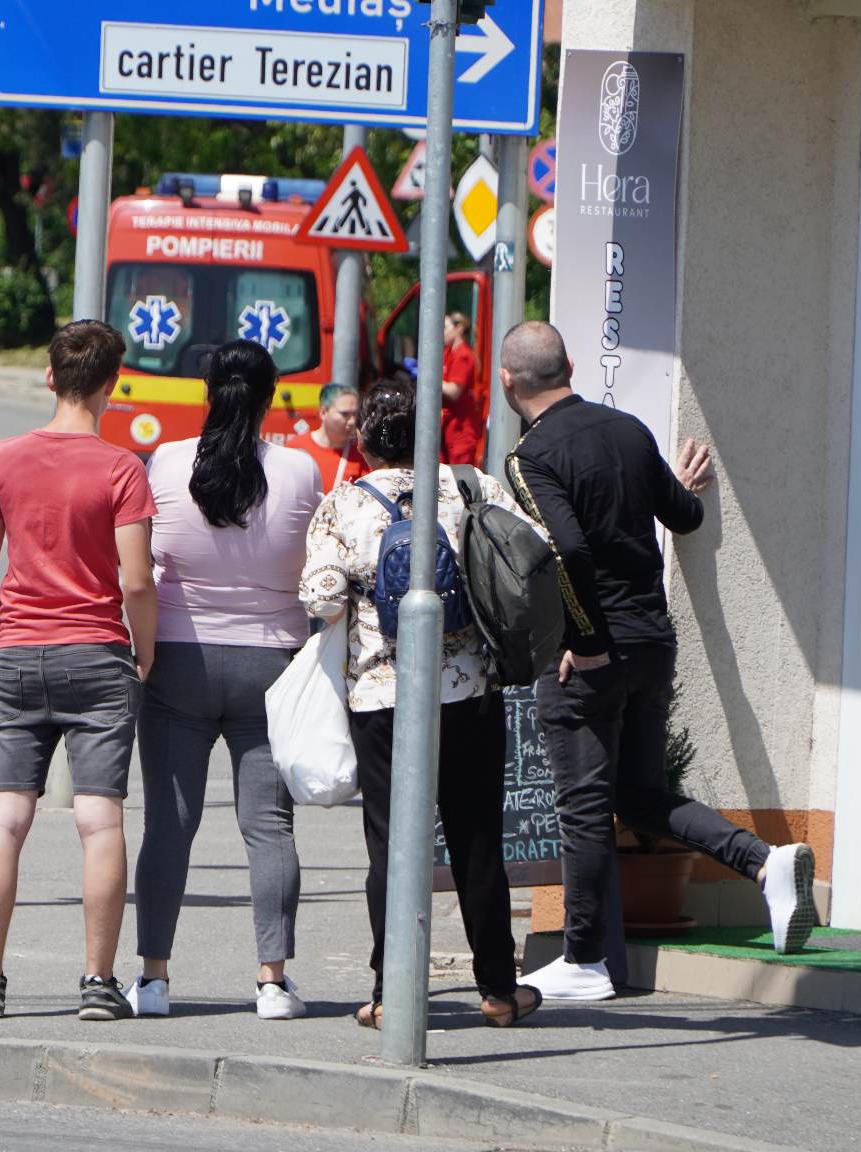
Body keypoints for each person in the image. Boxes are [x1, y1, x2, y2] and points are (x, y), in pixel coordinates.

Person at [501, 321, 817, 1003]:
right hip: (651, 640)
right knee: (641, 796)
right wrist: (679, 484)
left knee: (582, 804)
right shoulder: (628, 431)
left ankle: (585, 959)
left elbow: (568, 551)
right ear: (570, 367)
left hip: (594, 655)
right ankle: (765, 863)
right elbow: (684, 516)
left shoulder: (530, 457)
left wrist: (581, 642)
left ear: (507, 382)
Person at [301, 378, 543, 1030]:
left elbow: (319, 598)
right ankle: (498, 988)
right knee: (476, 842)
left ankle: (389, 994)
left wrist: (361, 587)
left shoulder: (343, 505)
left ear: (363, 439)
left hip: (382, 699)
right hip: (467, 692)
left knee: (389, 845)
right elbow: (531, 554)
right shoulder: (471, 489)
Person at [0, 319, 156, 1023]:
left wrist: (3, 635)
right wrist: (145, 649)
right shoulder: (121, 469)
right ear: (111, 385)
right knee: (100, 822)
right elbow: (136, 580)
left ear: (49, 377)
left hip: (20, 655)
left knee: (6, 817)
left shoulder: (4, 459)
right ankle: (98, 984)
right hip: (99, 654)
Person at [130, 340, 322, 1022]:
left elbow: (147, 565)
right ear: (273, 396)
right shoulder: (299, 470)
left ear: (206, 392)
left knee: (167, 826)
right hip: (271, 666)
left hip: (180, 660)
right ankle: (273, 982)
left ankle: (152, 980)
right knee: (269, 828)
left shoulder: (169, 462)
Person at [292, 383, 368, 491]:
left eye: (355, 414)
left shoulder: (362, 453)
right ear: (323, 412)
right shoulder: (296, 448)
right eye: (345, 414)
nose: (352, 421)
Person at [440, 311, 487, 467]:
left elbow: (454, 391)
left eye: (445, 328)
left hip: (460, 432)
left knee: (458, 479)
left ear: (458, 328)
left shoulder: (463, 356)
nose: (442, 332)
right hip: (447, 428)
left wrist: (428, 378)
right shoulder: (448, 353)